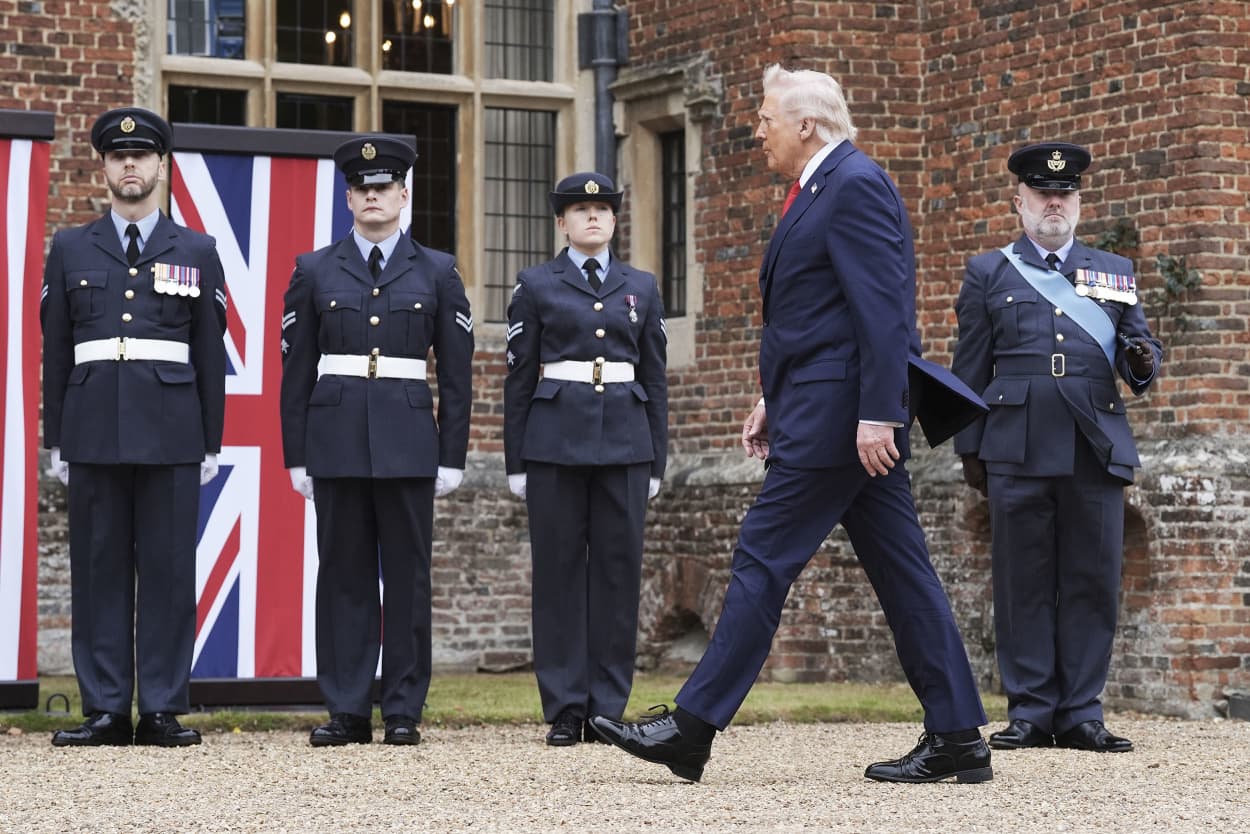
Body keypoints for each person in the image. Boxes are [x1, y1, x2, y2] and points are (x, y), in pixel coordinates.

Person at [590, 65, 991, 783]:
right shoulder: (817, 189)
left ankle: (692, 726)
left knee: (760, 558)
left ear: (806, 124)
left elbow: (883, 314)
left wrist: (876, 415)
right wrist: (774, 397)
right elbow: (819, 317)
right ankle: (959, 735)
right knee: (905, 576)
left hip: (842, 422)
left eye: (767, 118)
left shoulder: (855, 184)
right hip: (823, 408)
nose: (758, 130)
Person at [951, 142, 1162, 754]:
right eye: (1042, 194)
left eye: (1064, 194)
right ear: (1019, 200)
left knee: (1093, 579)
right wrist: (971, 450)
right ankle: (1030, 708)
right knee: (1023, 581)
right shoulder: (989, 272)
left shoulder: (1113, 272)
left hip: (1093, 444)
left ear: (1078, 201)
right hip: (1015, 445)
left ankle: (1080, 713)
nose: (1054, 203)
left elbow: (1138, 359)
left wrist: (1143, 358)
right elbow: (970, 369)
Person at [279, 136, 474, 747]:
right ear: (348, 197)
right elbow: (296, 370)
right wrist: (297, 455)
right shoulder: (314, 269)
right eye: (362, 188)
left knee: (410, 579)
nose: (372, 195)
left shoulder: (437, 270)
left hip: (409, 441)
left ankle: (403, 709)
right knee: (343, 576)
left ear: (403, 194)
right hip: (335, 441)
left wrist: (452, 455)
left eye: (383, 186)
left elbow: (458, 374)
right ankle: (346, 707)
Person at [41, 107, 227, 747]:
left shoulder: (197, 250)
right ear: (103, 167)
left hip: (173, 430)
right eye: (119, 157)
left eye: (141, 156)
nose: (130, 165)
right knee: (97, 571)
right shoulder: (69, 248)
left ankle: (162, 707)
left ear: (159, 165)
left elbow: (210, 353)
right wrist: (55, 439)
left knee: (171, 572)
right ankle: (105, 708)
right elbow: (56, 350)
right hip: (92, 427)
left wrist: (210, 440)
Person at [503, 172, 668, 746]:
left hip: (625, 443)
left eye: (602, 208)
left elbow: (655, 377)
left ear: (616, 220)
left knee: (619, 575)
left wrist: (657, 462)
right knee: (559, 575)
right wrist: (516, 462)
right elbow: (519, 378)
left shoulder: (641, 286)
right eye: (580, 209)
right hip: (554, 443)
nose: (593, 217)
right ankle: (566, 707)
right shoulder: (535, 284)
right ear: (562, 222)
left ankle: (607, 706)